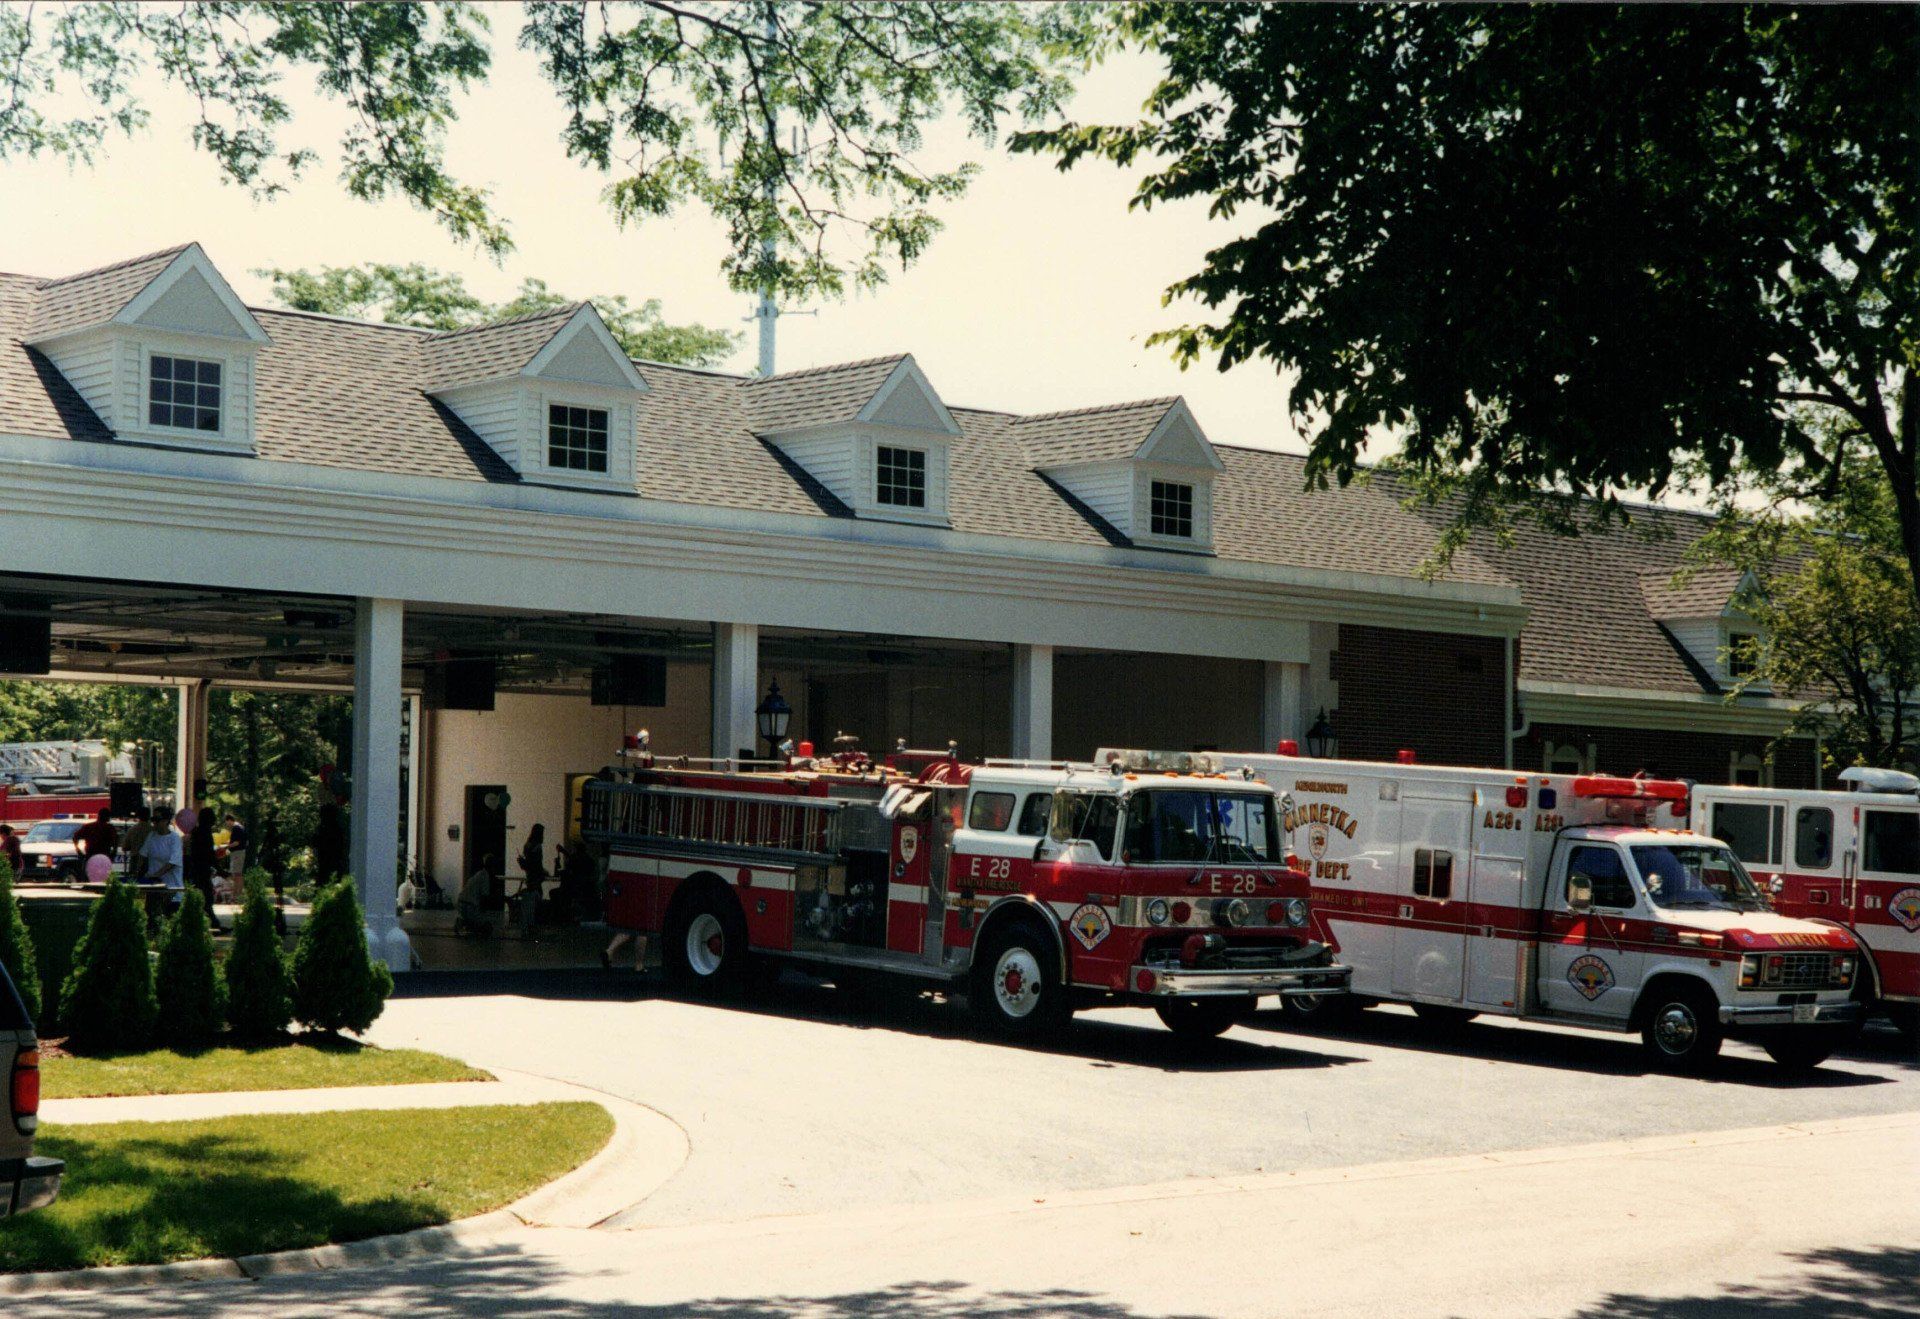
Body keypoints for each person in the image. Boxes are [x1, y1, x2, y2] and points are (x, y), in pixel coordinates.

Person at [185, 807, 222, 932]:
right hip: (201, 869)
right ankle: (212, 922)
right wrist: (220, 869)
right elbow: (210, 854)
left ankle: (213, 921)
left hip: (196, 868)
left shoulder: (195, 832)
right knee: (206, 896)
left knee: (204, 896)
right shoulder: (205, 833)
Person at [141, 810, 184, 913]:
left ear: (165, 821)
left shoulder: (174, 838)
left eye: (157, 820)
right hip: (154, 888)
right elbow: (143, 856)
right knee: (151, 920)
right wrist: (141, 874)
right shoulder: (151, 836)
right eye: (153, 820)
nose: (154, 823)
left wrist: (156, 875)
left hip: (171, 889)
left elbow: (173, 863)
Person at [455, 853, 496, 937]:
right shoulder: (485, 876)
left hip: (461, 903)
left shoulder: (478, 874)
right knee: (487, 928)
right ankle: (466, 922)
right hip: (470, 906)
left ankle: (465, 922)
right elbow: (484, 897)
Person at [312, 802, 348, 887]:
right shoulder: (338, 829)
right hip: (334, 861)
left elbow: (315, 844)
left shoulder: (322, 829)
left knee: (324, 880)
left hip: (326, 861)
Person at [120, 810, 153, 883]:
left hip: (135, 861)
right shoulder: (153, 830)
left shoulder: (132, 830)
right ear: (149, 816)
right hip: (150, 862)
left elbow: (124, 847)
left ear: (139, 817)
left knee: (134, 885)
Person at [223, 812, 249, 893]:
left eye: (226, 822)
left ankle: (236, 893)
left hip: (237, 853)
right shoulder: (241, 827)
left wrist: (226, 847)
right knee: (239, 873)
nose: (227, 825)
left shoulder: (236, 828)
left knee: (236, 874)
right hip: (240, 852)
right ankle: (239, 893)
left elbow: (236, 843)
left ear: (229, 820)